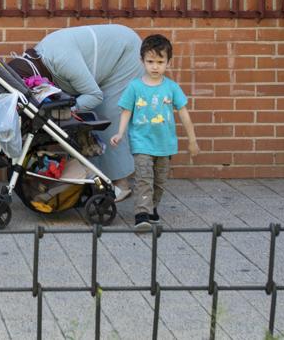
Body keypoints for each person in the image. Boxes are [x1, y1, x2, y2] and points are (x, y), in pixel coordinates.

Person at [26, 24, 145, 200]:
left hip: (126, 54)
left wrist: (69, 110)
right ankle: (96, 180)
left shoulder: (62, 60)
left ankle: (122, 184)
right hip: (105, 61)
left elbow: (94, 96)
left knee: (108, 115)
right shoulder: (37, 58)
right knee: (86, 121)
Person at [108, 34, 200, 231]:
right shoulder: (135, 87)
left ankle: (152, 208)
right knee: (144, 179)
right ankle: (141, 215)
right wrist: (120, 133)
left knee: (159, 181)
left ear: (168, 62)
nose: (155, 66)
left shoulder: (171, 88)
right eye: (150, 61)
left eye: (160, 62)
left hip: (165, 144)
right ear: (142, 61)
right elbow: (126, 111)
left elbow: (183, 112)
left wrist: (192, 140)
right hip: (141, 142)